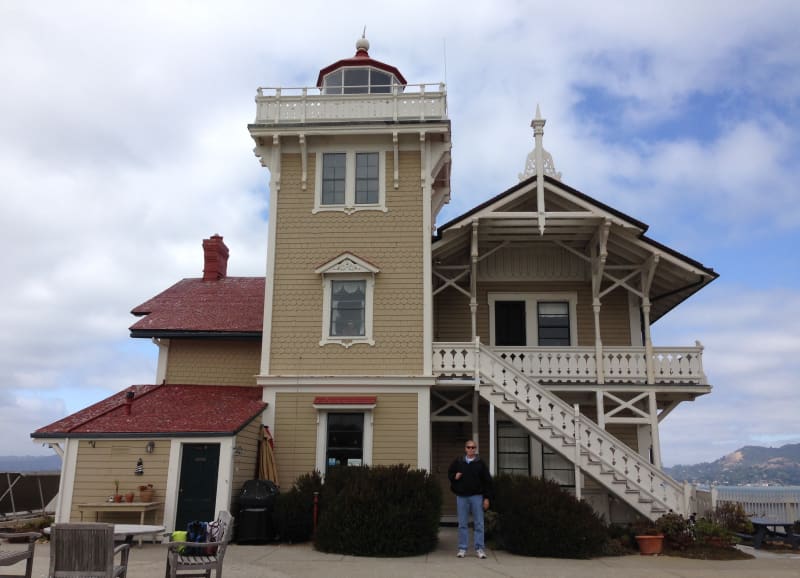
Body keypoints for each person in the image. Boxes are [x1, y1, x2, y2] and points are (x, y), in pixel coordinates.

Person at [447, 439, 493, 559]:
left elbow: (487, 481)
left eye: (473, 447)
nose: (471, 449)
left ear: (475, 449)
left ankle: (480, 549)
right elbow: (450, 474)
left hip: (477, 497)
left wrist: (486, 498)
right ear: (465, 448)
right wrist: (454, 476)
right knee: (462, 524)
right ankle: (462, 548)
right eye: (469, 447)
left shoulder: (480, 463)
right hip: (462, 497)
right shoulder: (459, 461)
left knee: (479, 524)